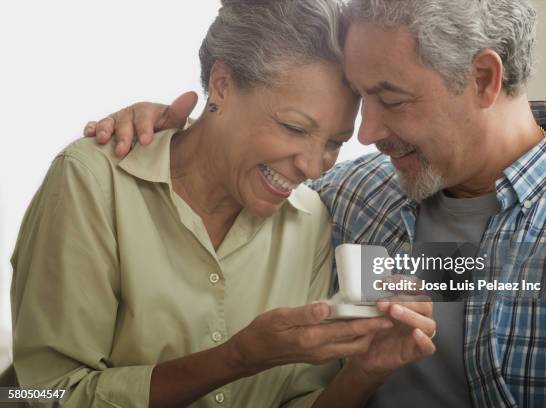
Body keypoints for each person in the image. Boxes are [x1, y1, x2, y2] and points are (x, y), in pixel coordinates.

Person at [88, 0, 546, 406]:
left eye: (391, 99)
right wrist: (173, 136)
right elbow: (240, 170)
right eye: (363, 99)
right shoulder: (349, 195)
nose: (368, 133)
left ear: (482, 79)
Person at [10, 1, 438, 407]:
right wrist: (235, 359)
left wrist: (364, 373)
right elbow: (42, 395)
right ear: (222, 85)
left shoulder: (311, 219)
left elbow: (299, 398)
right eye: (294, 127)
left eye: (334, 143)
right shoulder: (92, 182)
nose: (313, 166)